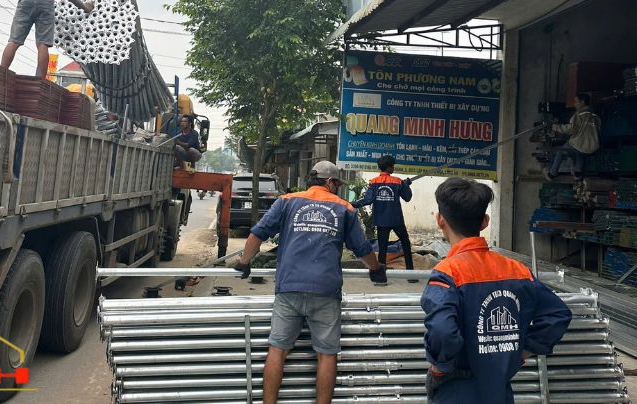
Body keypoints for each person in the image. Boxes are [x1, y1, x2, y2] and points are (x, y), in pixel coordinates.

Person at [234, 161, 388, 404]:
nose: (337, 188)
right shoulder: (344, 208)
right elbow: (361, 248)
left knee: (277, 349)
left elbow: (257, 234)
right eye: (337, 183)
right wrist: (376, 269)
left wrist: (244, 262)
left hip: (289, 289)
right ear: (330, 182)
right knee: (327, 355)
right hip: (326, 292)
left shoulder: (286, 201)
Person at [421, 177, 572, 404]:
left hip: (456, 391)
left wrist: (440, 368)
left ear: (440, 220)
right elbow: (558, 314)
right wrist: (523, 353)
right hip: (500, 391)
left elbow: (443, 331)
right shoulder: (517, 270)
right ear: (485, 221)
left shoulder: (448, 274)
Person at [1, 0, 94, 79]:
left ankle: (1, 72)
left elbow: (27, 0)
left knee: (14, 40)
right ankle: (39, 80)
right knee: (42, 44)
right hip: (46, 1)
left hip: (25, 3)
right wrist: (85, 7)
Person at [352, 155, 415, 284]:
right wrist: (406, 185)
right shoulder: (398, 182)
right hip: (396, 220)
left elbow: (367, 200)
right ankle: (411, 276)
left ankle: (380, 277)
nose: (393, 168)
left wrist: (352, 204)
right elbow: (407, 197)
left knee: (382, 248)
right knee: (406, 245)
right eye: (393, 166)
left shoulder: (374, 182)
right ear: (389, 167)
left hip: (381, 220)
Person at [545, 93, 601, 181]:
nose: (575, 104)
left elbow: (570, 129)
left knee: (562, 151)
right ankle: (577, 174)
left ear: (582, 102)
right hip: (593, 146)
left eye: (576, 102)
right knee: (578, 151)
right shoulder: (595, 117)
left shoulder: (579, 115)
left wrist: (555, 127)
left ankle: (552, 173)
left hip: (581, 144)